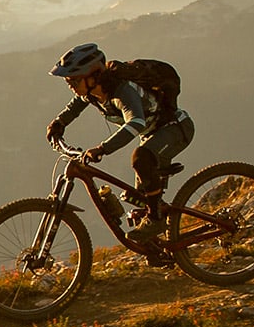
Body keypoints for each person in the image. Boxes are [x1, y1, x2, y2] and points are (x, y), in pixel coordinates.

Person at [44, 42, 195, 237]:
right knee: (137, 199)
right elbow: (75, 106)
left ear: (94, 76)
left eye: (74, 81)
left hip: (176, 129)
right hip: (153, 134)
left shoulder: (122, 91)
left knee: (141, 159)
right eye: (68, 82)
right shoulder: (92, 92)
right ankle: (159, 250)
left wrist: (103, 148)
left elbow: (137, 122)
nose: (71, 86)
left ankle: (157, 220)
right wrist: (59, 123)